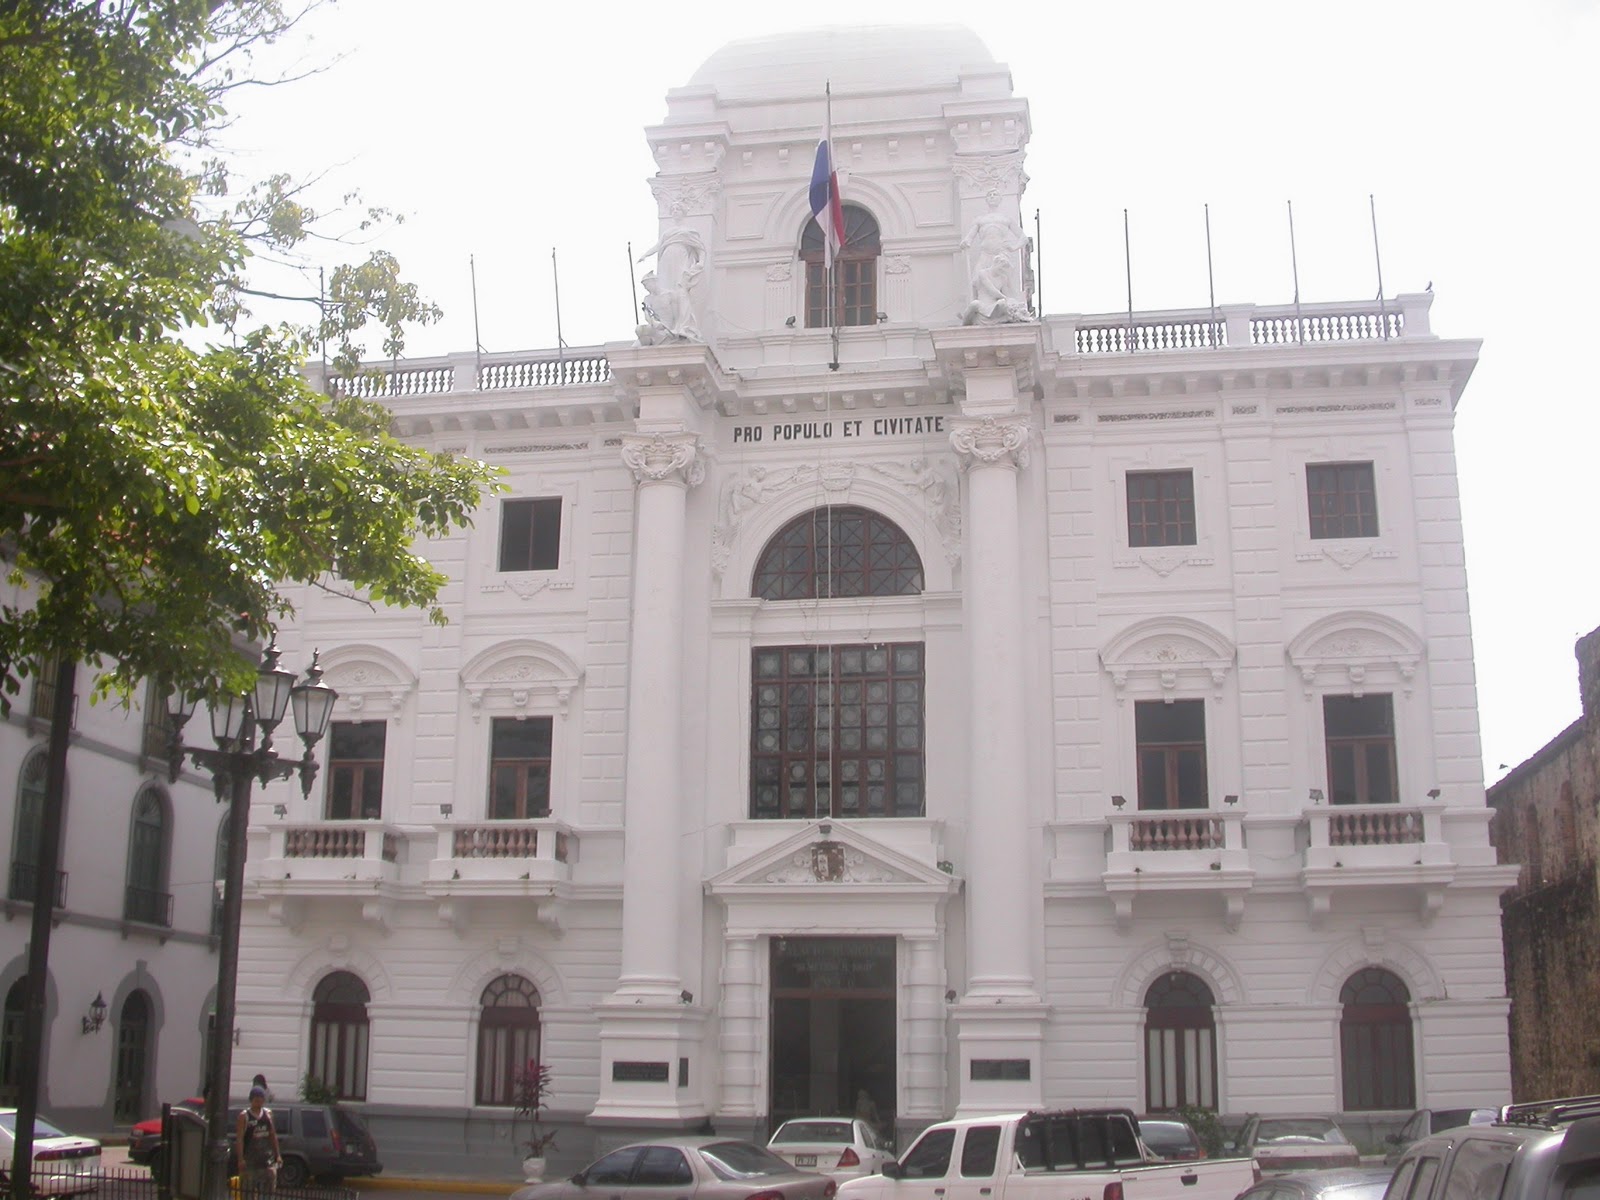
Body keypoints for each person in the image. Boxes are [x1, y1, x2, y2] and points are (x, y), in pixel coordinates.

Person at [237, 1085, 281, 1197]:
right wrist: (241, 1159)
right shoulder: (244, 1116)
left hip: (266, 1161)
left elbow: (272, 1135)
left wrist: (277, 1155)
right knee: (248, 1192)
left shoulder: (268, 1114)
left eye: (260, 1099)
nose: (258, 1102)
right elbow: (240, 1139)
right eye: (256, 1099)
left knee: (268, 1192)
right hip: (250, 1162)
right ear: (251, 1100)